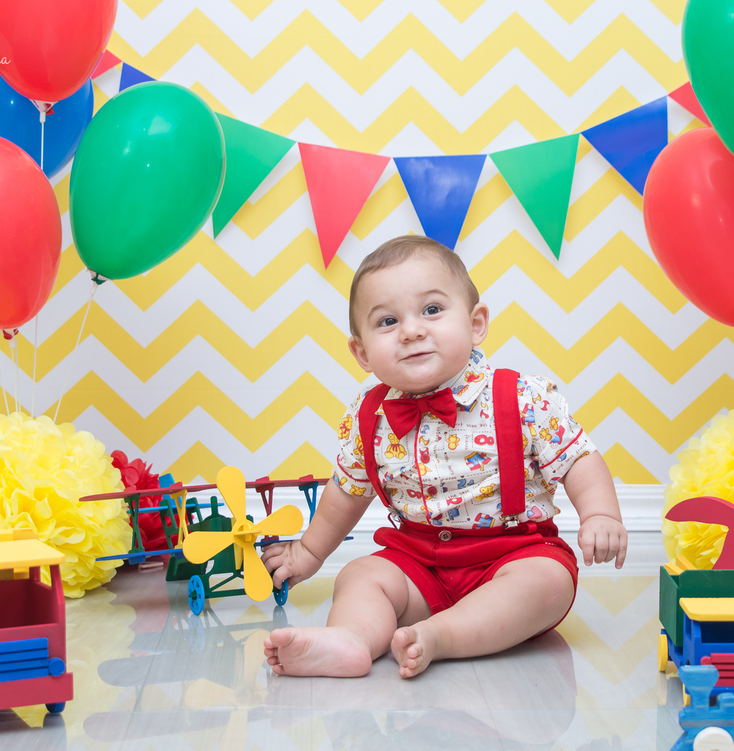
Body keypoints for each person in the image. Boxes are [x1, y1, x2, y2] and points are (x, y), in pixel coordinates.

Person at [262, 235, 627, 678]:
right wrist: (308, 551)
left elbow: (578, 458)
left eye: (432, 310)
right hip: (418, 563)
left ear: (476, 324)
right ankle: (352, 639)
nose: (412, 331)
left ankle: (441, 635)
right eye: (388, 321)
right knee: (359, 575)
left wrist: (601, 515)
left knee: (548, 581)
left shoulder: (521, 397)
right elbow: (345, 493)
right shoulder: (369, 416)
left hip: (511, 556)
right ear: (361, 353)